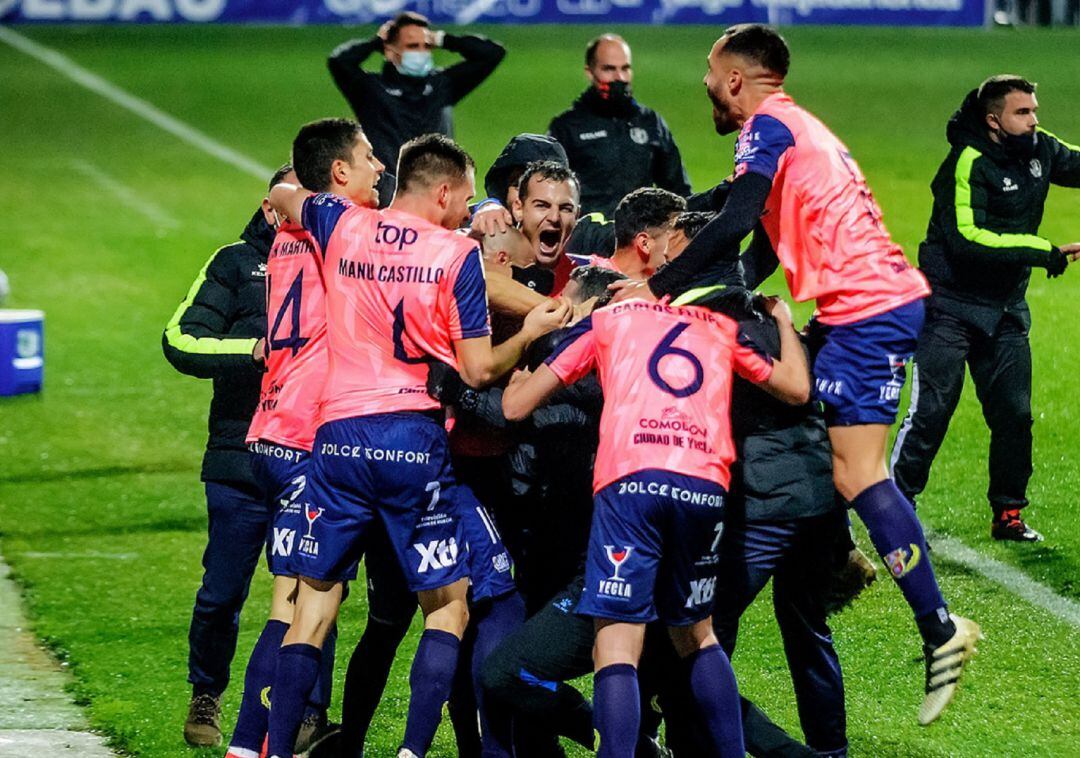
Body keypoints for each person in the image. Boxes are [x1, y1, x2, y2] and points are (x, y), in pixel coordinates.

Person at [618, 23, 980, 725]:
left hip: (870, 312)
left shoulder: (769, 127)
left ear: (734, 78)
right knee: (809, 426)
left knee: (857, 471)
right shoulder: (794, 129)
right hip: (860, 310)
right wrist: (712, 293)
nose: (704, 87)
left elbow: (735, 225)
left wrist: (657, 291)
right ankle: (833, 551)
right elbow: (756, 245)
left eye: (709, 75)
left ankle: (937, 627)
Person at [262, 134, 568, 758]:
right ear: (447, 192)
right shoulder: (454, 254)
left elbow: (285, 193)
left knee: (313, 612)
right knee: (449, 607)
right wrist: (533, 328)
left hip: (336, 439)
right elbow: (480, 371)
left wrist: (298, 193)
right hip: (413, 441)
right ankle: (413, 751)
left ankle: (266, 745)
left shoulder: (342, 224)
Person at [503, 290, 810, 757]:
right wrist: (784, 322)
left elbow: (516, 408)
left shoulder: (610, 319)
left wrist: (513, 384)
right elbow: (795, 388)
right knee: (697, 636)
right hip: (704, 487)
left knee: (618, 645)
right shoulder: (717, 326)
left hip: (632, 482)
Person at [225, 119, 386, 758]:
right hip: (306, 437)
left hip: (268, 428)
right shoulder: (338, 233)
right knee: (303, 607)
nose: (380, 166)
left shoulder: (290, 234)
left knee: (286, 599)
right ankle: (261, 746)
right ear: (339, 173)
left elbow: (290, 197)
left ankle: (247, 744)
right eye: (370, 157)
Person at [890, 75, 1080, 542]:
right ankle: (896, 509)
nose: (1034, 120)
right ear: (994, 120)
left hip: (1005, 309)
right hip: (949, 307)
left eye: (1035, 110)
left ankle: (1008, 514)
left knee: (1014, 415)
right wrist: (1042, 250)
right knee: (932, 412)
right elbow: (968, 238)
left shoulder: (1040, 149)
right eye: (1023, 112)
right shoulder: (966, 161)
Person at [162, 171, 279, 748]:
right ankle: (206, 694)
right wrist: (250, 351)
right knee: (222, 593)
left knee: (315, 591)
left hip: (310, 458)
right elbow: (181, 339)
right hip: (239, 456)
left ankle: (305, 708)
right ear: (268, 205)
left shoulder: (341, 257)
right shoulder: (235, 263)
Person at [328, 11, 505, 170]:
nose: (422, 53)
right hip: (390, 190)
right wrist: (376, 42)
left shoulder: (442, 84)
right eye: (413, 46)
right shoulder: (371, 89)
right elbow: (339, 61)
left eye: (427, 46)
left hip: (436, 187)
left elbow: (492, 53)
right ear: (390, 52)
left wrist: (443, 39)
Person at [548, 34, 691, 217]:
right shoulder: (567, 128)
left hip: (639, 236)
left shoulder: (650, 122)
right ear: (589, 72)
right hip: (588, 239)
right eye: (609, 69)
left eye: (625, 68)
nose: (620, 77)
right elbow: (548, 189)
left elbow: (678, 189)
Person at [567, 187, 686, 278]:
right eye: (676, 237)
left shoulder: (673, 290)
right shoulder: (575, 273)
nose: (685, 247)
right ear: (645, 244)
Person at [511, 161, 582, 293]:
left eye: (565, 209)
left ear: (577, 215)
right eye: (542, 205)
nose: (554, 217)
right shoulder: (488, 262)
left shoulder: (579, 282)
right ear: (518, 209)